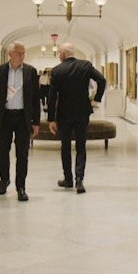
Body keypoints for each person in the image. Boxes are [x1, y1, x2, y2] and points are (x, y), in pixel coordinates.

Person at [47, 42, 106, 194]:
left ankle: (68, 179)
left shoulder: (57, 70)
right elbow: (102, 80)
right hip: (82, 113)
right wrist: (96, 99)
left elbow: (52, 96)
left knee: (65, 147)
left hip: (64, 114)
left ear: (63, 54)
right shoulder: (85, 66)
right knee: (81, 146)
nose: (59, 55)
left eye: (59, 53)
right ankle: (79, 179)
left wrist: (51, 119)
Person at [0, 42, 40, 201]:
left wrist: (36, 122)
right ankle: (4, 180)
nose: (22, 56)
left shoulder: (30, 71)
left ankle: (21, 186)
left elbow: (35, 99)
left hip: (23, 118)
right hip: (5, 117)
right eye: (19, 53)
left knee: (22, 154)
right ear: (10, 54)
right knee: (3, 150)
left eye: (24, 53)